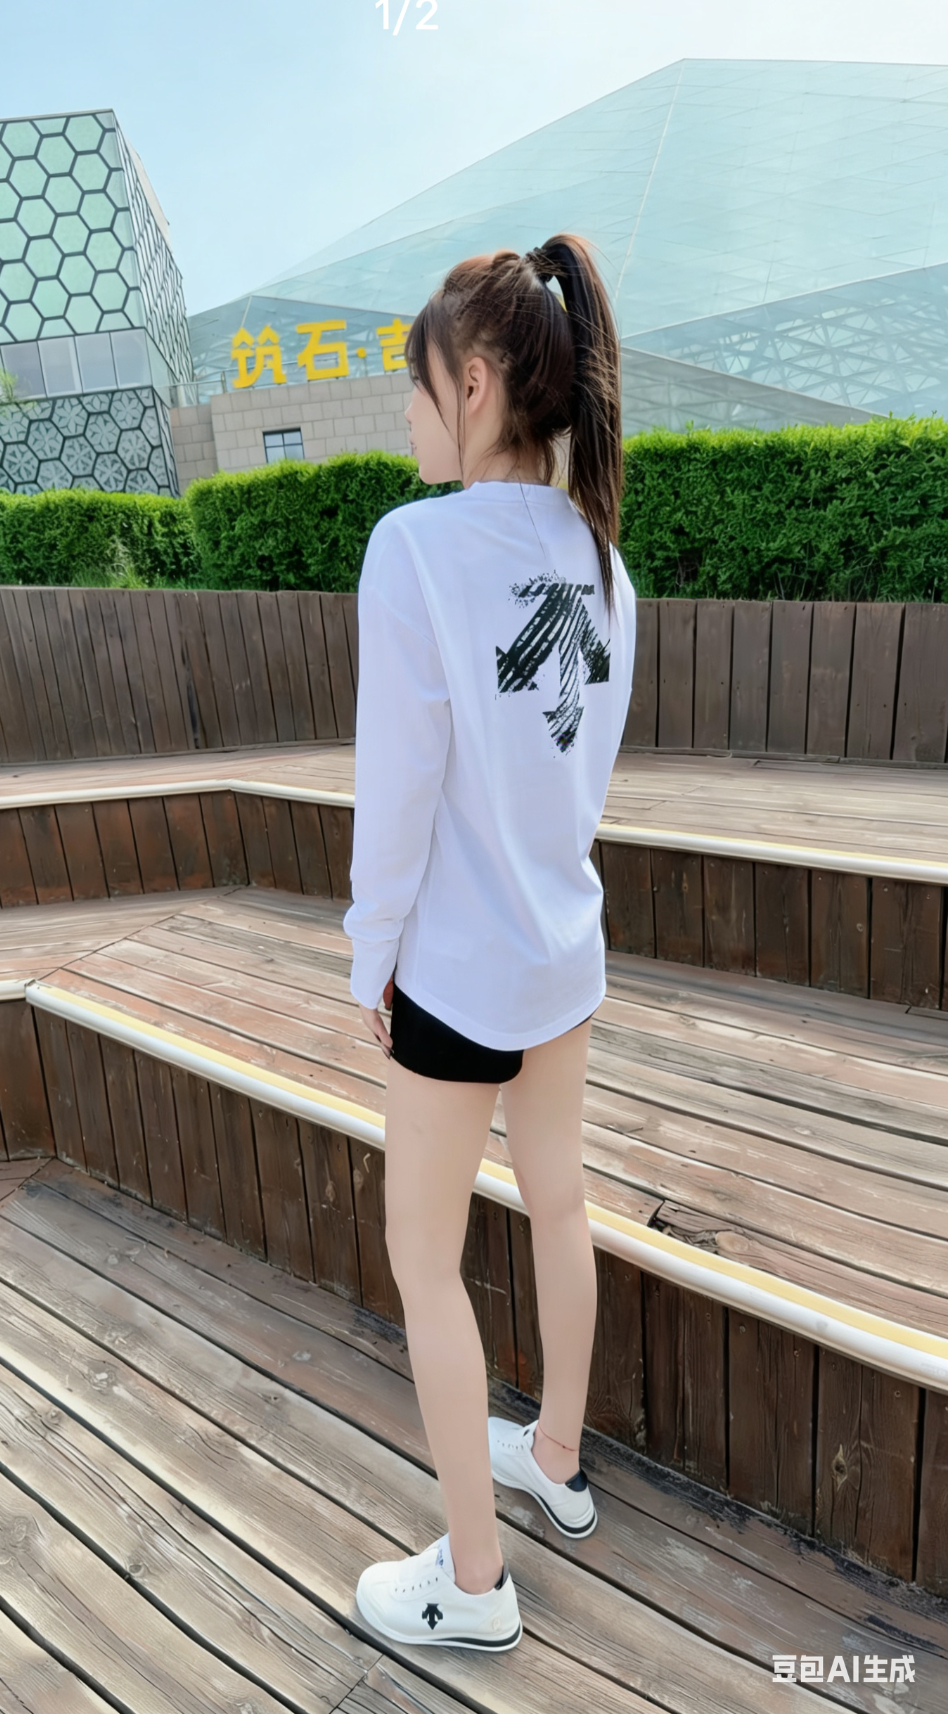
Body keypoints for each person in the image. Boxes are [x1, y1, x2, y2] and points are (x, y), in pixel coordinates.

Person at [343, 235, 636, 1653]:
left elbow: (397, 790)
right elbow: (581, 776)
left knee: (425, 1256)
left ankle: (475, 1582)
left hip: (458, 971)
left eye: (414, 385)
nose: (406, 414)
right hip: (563, 951)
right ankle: (557, 1458)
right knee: (561, 1204)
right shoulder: (605, 563)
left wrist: (369, 954)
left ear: (471, 384)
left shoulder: (415, 550)